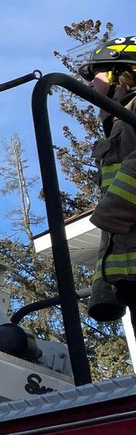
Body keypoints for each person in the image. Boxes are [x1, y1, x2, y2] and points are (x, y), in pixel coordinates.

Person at [78, 38, 136, 322]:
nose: (89, 85)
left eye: (95, 75)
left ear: (118, 73)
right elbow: (112, 228)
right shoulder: (119, 124)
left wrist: (111, 210)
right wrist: (103, 290)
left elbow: (111, 215)